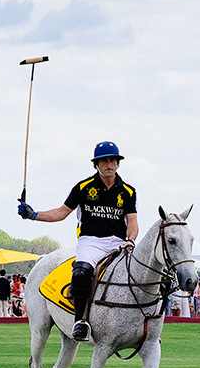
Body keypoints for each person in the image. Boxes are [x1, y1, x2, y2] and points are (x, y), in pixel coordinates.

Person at [18, 141, 138, 341]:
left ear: (118, 163)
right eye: (104, 161)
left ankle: (143, 323)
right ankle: (80, 321)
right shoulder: (83, 187)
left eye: (112, 160)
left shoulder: (128, 191)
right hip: (90, 241)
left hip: (118, 241)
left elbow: (132, 222)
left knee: (138, 273)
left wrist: (131, 240)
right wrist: (33, 215)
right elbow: (61, 213)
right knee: (81, 272)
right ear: (96, 165)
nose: (109, 164)